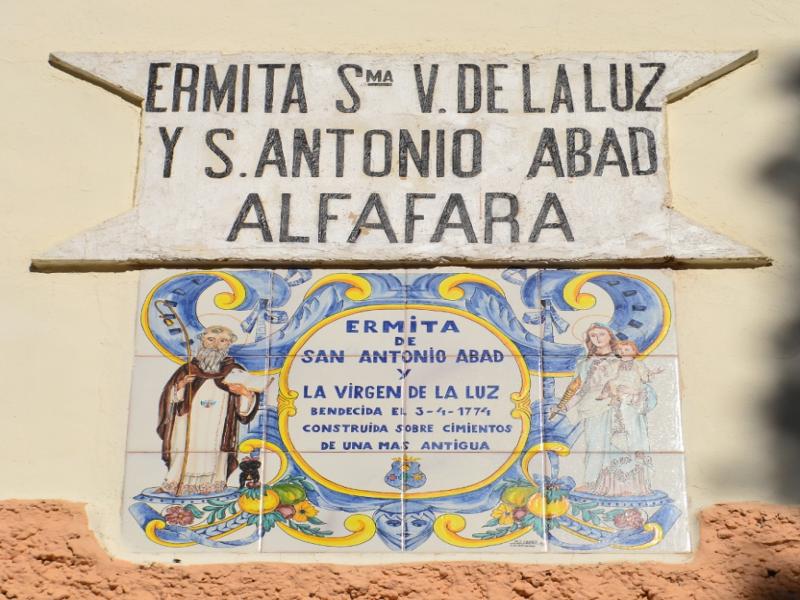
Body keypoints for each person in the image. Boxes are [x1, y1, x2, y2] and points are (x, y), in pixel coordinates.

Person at [156, 325, 259, 496]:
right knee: (183, 448)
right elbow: (169, 398)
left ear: (228, 344)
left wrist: (245, 393)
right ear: (202, 341)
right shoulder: (188, 369)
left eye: (222, 341)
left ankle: (210, 486)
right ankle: (175, 484)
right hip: (188, 421)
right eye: (211, 339)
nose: (216, 345)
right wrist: (180, 386)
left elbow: (245, 406)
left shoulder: (234, 371)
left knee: (214, 450)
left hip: (219, 422)